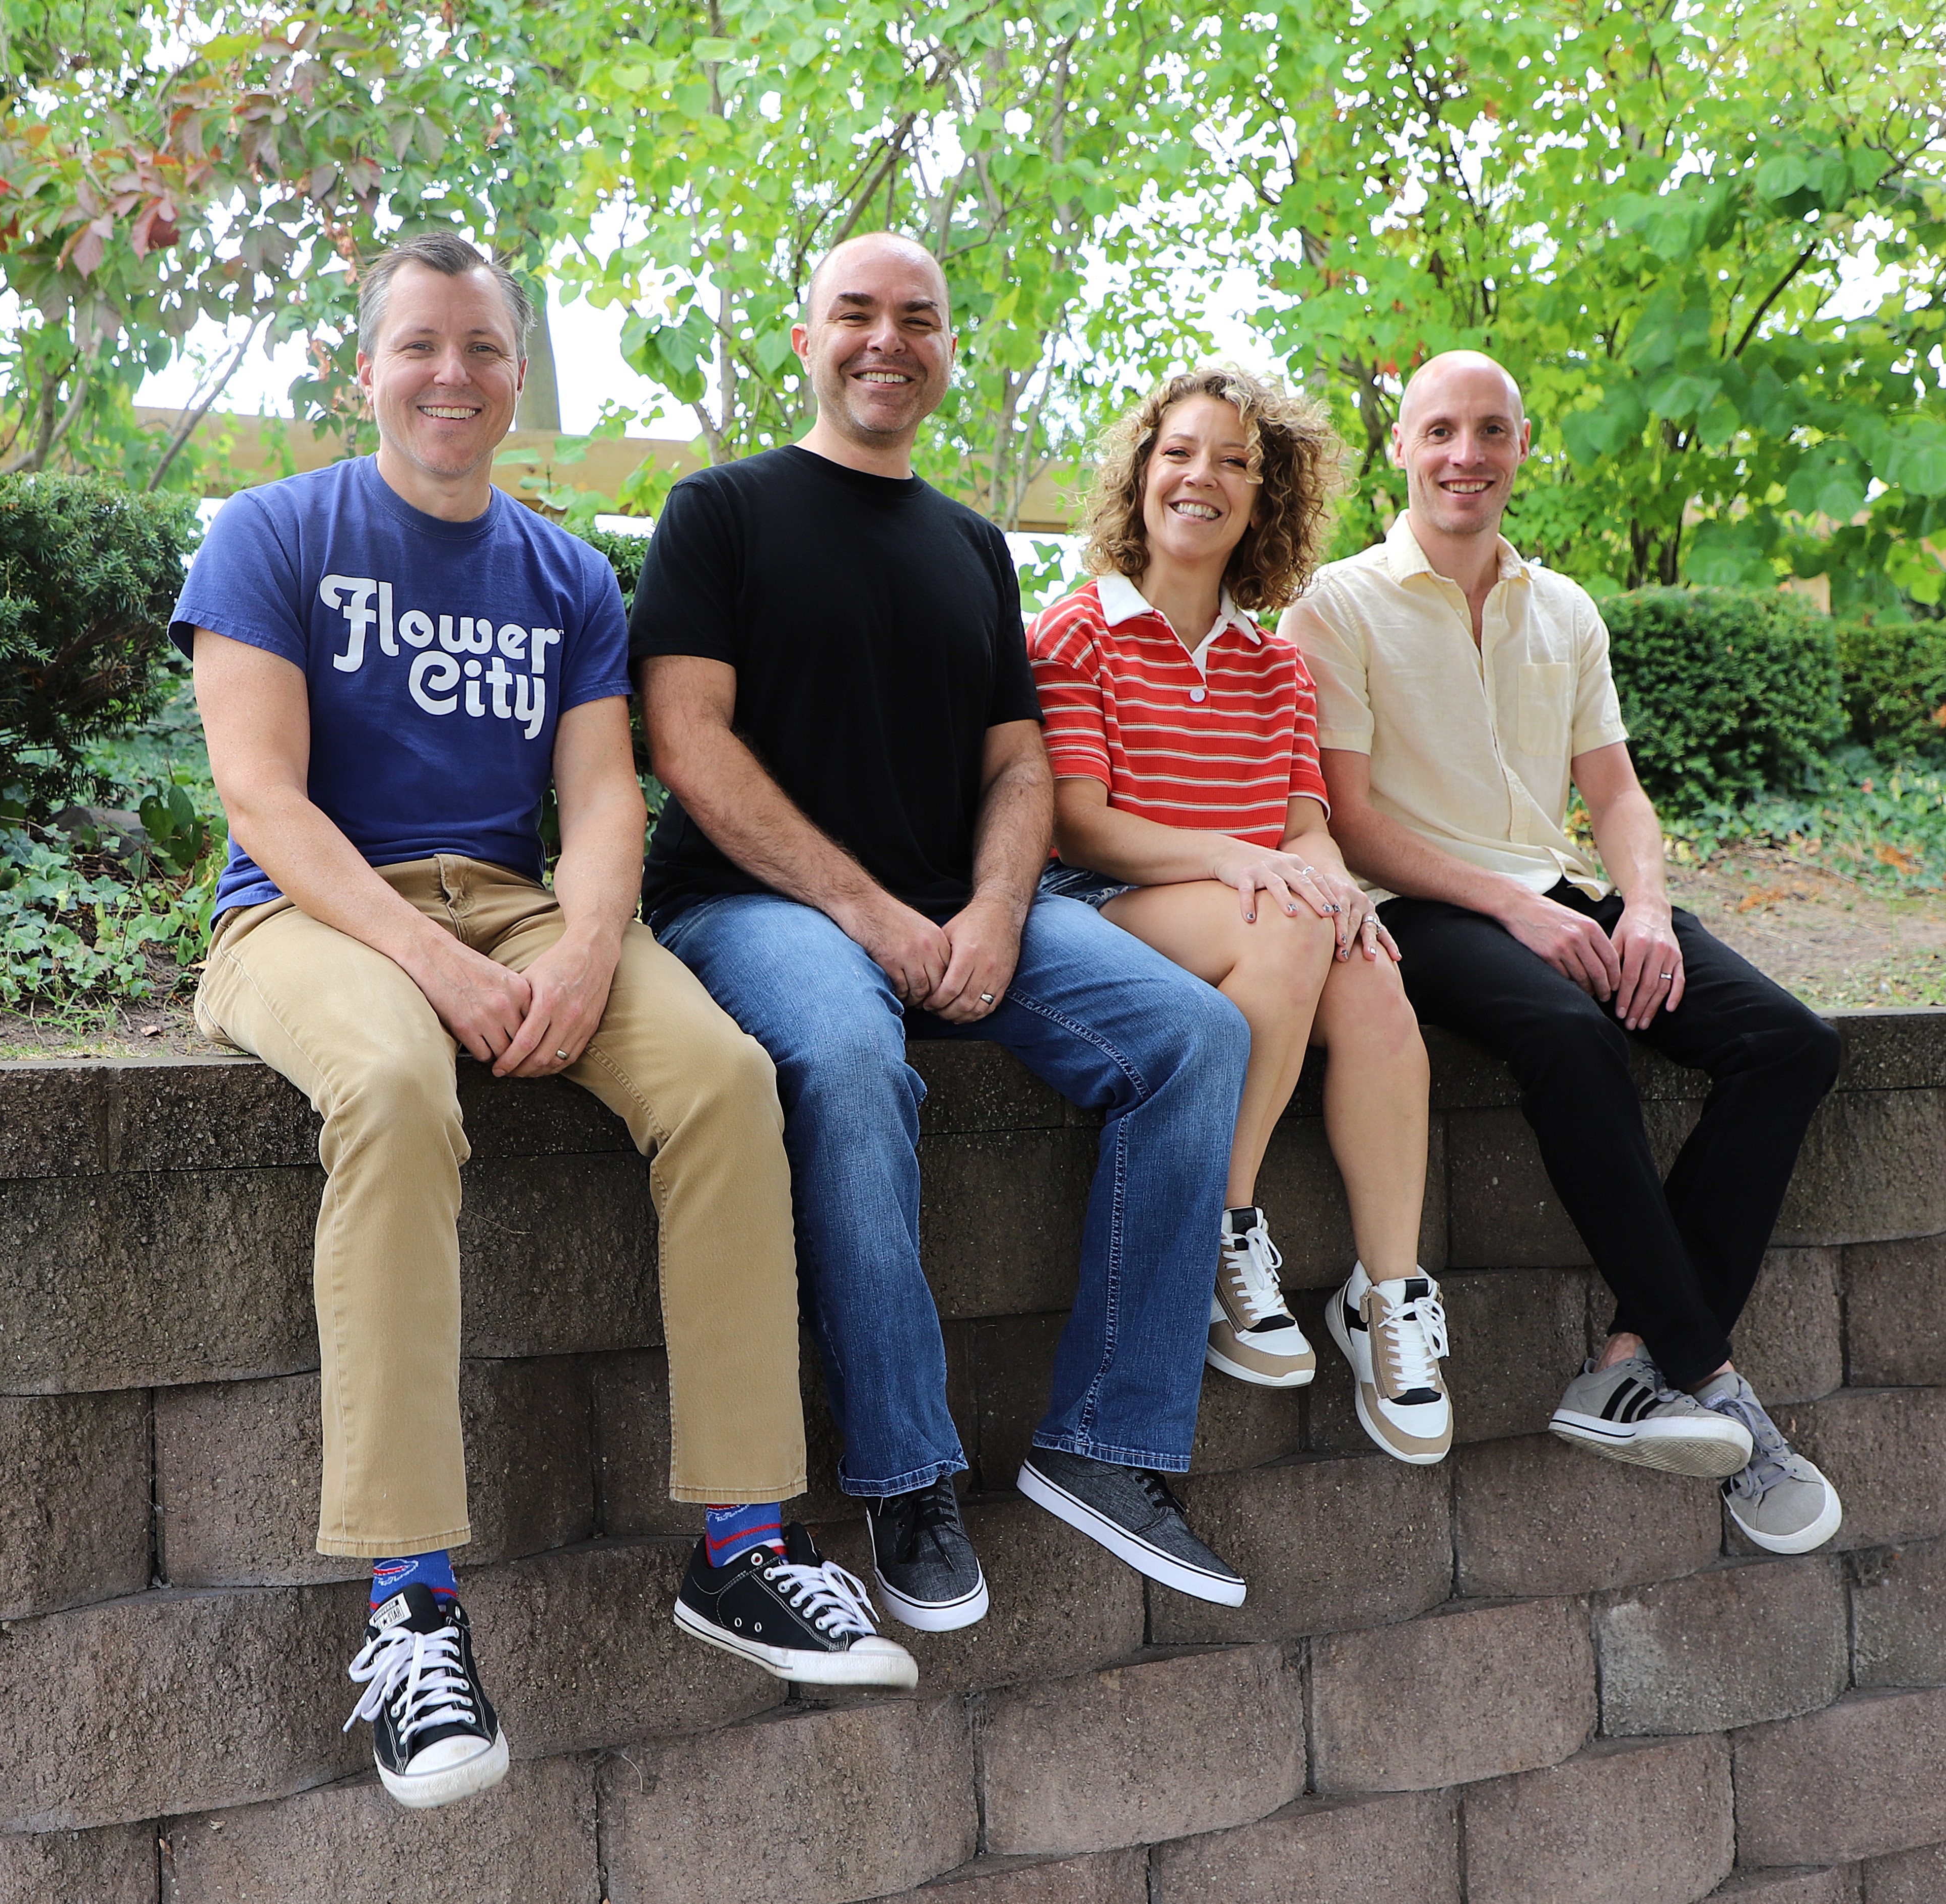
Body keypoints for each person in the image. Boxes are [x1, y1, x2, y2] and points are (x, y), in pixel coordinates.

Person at [176, 232, 912, 1815]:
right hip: (306, 916)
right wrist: (434, 971)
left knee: (722, 1076)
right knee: (393, 1087)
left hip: (516, 907)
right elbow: (265, 801)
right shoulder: (271, 531)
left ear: (519, 375)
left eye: (485, 348)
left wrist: (583, 954)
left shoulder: (567, 575)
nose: (453, 374)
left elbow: (601, 797)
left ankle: (744, 1544)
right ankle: (411, 1609)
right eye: (421, 345)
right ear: (362, 369)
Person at [633, 233, 1256, 1629]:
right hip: (753, 907)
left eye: (917, 318)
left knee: (1194, 1034)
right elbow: (688, 741)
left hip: (959, 907)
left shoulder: (971, 545)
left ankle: (1105, 1442)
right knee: (854, 1061)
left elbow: (1020, 764)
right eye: (854, 313)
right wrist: (870, 915)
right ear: (807, 339)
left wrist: (991, 911)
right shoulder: (719, 510)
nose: (886, 340)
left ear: (948, 350)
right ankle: (907, 1471)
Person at [1286, 348, 1846, 1555]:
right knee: (1570, 1033)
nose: (1465, 454)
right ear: (1400, 446)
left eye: (1491, 430)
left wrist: (1639, 906)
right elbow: (1349, 820)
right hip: (1416, 909)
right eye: (1440, 430)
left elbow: (1616, 793)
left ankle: (1630, 1358)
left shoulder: (1565, 608)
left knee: (1787, 1044)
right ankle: (1717, 1386)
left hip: (1563, 897)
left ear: (1521, 448)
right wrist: (1511, 908)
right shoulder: (1334, 605)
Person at [1026, 365, 1450, 1465]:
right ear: (1140, 473)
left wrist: (1330, 883)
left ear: (1266, 496)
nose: (1200, 477)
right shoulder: (1076, 631)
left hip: (1251, 906)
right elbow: (1078, 823)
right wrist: (1244, 863)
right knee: (1287, 919)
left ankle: (1389, 1298)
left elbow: (1305, 827)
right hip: (1105, 910)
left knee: (1371, 972)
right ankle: (1226, 1226)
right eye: (1178, 452)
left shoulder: (1276, 665)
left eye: (1233, 462)